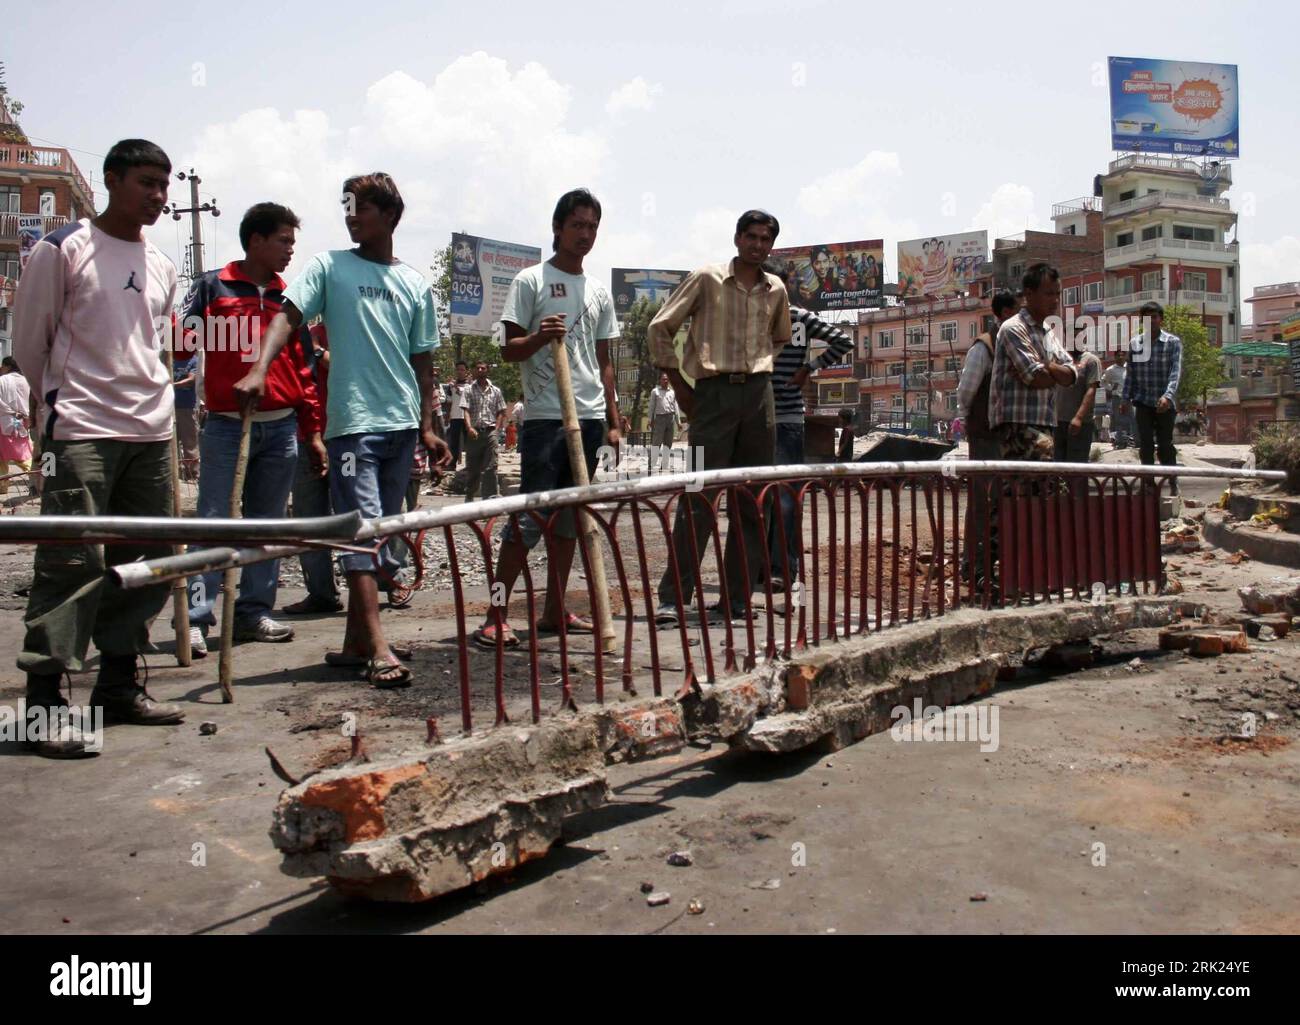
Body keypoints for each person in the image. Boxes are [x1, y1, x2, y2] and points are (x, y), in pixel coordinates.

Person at [235, 171, 450, 689]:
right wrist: (261, 366)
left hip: (400, 427)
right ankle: (379, 647)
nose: (351, 216)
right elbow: (288, 317)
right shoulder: (329, 267)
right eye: (347, 207)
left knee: (381, 531)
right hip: (353, 427)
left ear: (391, 216)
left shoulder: (415, 284)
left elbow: (423, 364)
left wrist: (429, 426)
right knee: (362, 535)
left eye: (362, 208)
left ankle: (356, 641)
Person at [13, 138, 187, 758]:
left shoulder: (164, 266)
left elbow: (153, 347)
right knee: (69, 564)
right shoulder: (63, 250)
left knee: (146, 562)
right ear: (113, 180)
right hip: (82, 429)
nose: (158, 196)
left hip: (150, 432)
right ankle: (43, 705)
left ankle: (117, 685)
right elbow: (30, 344)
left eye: (164, 186)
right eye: (146, 182)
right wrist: (57, 408)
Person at [472, 188, 621, 647]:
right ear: (558, 228)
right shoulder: (530, 281)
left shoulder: (597, 291)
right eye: (577, 225)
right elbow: (507, 346)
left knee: (571, 521)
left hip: (590, 416)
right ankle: (495, 613)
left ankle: (555, 612)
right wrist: (539, 337)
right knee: (529, 520)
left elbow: (605, 358)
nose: (585, 234)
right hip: (546, 418)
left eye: (592, 226)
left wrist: (614, 420)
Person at [182, 202, 325, 654]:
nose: (289, 251)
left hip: (280, 427)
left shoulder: (291, 300)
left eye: (292, 243)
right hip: (226, 426)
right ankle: (196, 618)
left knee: (267, 525)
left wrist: (313, 432)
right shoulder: (212, 287)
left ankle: (253, 612)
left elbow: (303, 372)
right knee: (213, 523)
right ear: (256, 240)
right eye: (283, 241)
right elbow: (179, 342)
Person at [650, 209, 792, 628]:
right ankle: (674, 598)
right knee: (698, 499)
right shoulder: (707, 278)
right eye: (751, 237)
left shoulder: (776, 289)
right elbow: (661, 327)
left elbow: (780, 337)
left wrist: (758, 367)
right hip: (709, 397)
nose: (758, 245)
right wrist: (680, 386)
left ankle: (736, 598)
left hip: (758, 398)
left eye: (766, 239)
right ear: (736, 238)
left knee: (751, 502)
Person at [765, 293, 853, 588]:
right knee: (775, 498)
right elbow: (842, 342)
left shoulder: (793, 317)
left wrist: (808, 368)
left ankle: (781, 568)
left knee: (781, 498)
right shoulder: (796, 316)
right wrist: (808, 367)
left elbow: (844, 341)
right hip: (766, 418)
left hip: (780, 417)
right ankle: (773, 567)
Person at [955, 290, 1020, 583]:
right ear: (1005, 313)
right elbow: (966, 391)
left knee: (1005, 502)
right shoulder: (984, 348)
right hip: (987, 434)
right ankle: (974, 565)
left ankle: (996, 564)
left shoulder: (1018, 345)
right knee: (983, 500)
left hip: (1011, 435)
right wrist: (973, 420)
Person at [988, 264, 1077, 462]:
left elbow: (1072, 375)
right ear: (1029, 293)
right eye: (1048, 294)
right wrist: (1054, 371)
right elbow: (1036, 378)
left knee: (1036, 487)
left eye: (1057, 294)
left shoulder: (1047, 332)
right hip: (1018, 425)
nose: (1055, 300)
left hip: (1043, 423)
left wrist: (1047, 364)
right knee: (1032, 486)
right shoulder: (1013, 328)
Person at [284, 322, 343, 615]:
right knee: (309, 518)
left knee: (359, 513)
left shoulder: (356, 327)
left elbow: (349, 371)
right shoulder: (296, 332)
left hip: (346, 437)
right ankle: (321, 592)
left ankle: (388, 581)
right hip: (306, 436)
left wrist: (318, 353)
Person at [1124, 301, 1182, 485]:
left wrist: (1167, 396)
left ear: (1161, 319)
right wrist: (1125, 398)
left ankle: (1172, 484)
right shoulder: (1135, 343)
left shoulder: (1173, 342)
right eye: (1146, 318)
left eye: (1154, 317)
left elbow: (1175, 372)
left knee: (1165, 445)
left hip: (1165, 402)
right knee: (1145, 445)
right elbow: (1130, 373)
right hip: (1142, 401)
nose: (1151, 321)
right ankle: (1148, 486)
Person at [461, 360, 506, 501]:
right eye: (478, 368)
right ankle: (469, 495)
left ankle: (489, 499)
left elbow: (501, 411)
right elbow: (466, 410)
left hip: (490, 431)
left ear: (487, 371)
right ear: (474, 370)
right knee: (473, 468)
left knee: (491, 466)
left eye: (483, 368)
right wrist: (469, 427)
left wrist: (497, 430)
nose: (480, 370)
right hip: (474, 432)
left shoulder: (496, 391)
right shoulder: (468, 389)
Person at [1053, 341, 1101, 463]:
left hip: (1080, 424)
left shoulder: (1091, 360)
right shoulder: (1059, 360)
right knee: (1057, 467)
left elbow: (1091, 390)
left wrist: (1078, 417)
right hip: (1057, 423)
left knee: (1077, 468)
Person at [0, 356, 34, 495]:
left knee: (3, 457)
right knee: (23, 452)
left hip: (4, 422)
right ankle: (40, 477)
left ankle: (3, 486)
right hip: (24, 422)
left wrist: (11, 412)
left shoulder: (2, 380)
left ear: (7, 366)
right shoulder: (27, 381)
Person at [171, 348, 199, 480]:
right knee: (171, 441)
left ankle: (192, 473)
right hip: (169, 406)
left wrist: (172, 385)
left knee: (189, 442)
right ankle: (174, 473)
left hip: (186, 407)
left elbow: (191, 379)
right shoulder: (170, 360)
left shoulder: (194, 360)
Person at [1101, 349, 1132, 449]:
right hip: (1117, 397)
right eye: (1118, 355)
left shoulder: (1130, 367)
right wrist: (1110, 388)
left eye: (1122, 355)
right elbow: (1103, 382)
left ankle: (1129, 440)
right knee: (1118, 420)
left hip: (1129, 398)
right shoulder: (1111, 369)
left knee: (1131, 419)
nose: (1120, 357)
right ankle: (1120, 442)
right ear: (1115, 357)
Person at [444, 360, 469, 468]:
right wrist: (447, 415)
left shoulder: (471, 385)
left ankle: (470, 465)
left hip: (467, 417)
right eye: (458, 369)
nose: (460, 372)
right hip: (455, 417)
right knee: (453, 442)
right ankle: (451, 465)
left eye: (462, 370)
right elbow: (449, 401)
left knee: (469, 443)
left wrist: (457, 388)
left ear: (466, 371)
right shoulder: (450, 386)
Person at [648, 371, 679, 450]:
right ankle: (652, 462)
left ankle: (665, 462)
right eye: (664, 379)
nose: (666, 381)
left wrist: (678, 422)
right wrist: (649, 420)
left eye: (667, 379)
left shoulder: (672, 392)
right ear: (660, 380)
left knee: (668, 443)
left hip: (670, 419)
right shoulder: (655, 391)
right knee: (656, 442)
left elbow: (675, 407)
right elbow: (651, 407)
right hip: (659, 419)